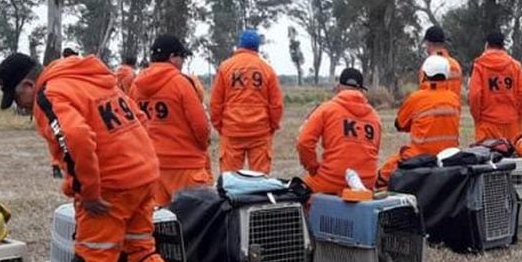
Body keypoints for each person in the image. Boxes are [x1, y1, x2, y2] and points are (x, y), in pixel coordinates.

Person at [0, 52, 202, 262]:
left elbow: (75, 137)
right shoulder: (93, 78)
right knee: (141, 249)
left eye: (17, 97)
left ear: (27, 84)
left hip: (111, 186)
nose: (20, 106)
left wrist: (88, 191)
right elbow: (139, 119)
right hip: (144, 175)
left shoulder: (51, 92)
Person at [129, 35, 213, 206]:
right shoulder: (181, 83)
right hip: (185, 165)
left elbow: (132, 125)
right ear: (172, 57)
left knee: (160, 225)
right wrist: (202, 147)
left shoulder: (136, 86)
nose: (183, 62)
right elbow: (201, 126)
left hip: (152, 166)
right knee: (195, 223)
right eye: (182, 57)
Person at [378, 55, 461, 186]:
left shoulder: (416, 98)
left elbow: (399, 124)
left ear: (425, 73)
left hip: (419, 156)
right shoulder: (454, 99)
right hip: (449, 157)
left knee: (384, 174)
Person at [297, 68, 382, 194]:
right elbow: (374, 151)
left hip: (331, 180)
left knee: (299, 194)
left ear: (338, 87)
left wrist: (313, 167)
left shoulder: (326, 109)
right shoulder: (375, 117)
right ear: (361, 90)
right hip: (366, 184)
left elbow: (304, 142)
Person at [210, 29, 284, 174]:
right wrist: (272, 127)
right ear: (257, 47)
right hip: (260, 132)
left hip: (232, 132)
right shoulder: (267, 69)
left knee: (230, 181)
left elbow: (216, 103)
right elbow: (276, 105)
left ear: (239, 45)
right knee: (259, 180)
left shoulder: (225, 67)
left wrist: (221, 126)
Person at [468, 31, 522, 142]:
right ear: (503, 46)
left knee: (488, 157)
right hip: (512, 124)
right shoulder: (515, 66)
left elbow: (474, 95)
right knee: (512, 157)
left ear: (487, 45)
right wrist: (519, 115)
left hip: (487, 124)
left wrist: (477, 117)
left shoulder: (479, 66)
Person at [418, 25, 463, 98]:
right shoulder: (456, 65)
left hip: (434, 108)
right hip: (453, 107)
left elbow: (424, 92)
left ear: (429, 43)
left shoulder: (427, 66)